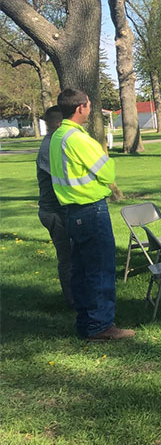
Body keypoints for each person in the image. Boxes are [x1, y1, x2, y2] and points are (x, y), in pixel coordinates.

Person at [49, 89, 133, 341]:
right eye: (88, 104)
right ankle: (101, 326)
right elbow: (107, 173)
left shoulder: (58, 136)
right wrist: (104, 157)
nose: (89, 108)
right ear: (80, 108)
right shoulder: (78, 139)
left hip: (72, 210)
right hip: (90, 208)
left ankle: (86, 322)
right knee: (100, 268)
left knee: (83, 270)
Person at [35, 105, 73, 307]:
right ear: (57, 123)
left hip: (61, 209)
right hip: (54, 212)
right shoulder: (49, 147)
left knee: (73, 254)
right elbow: (64, 176)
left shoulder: (56, 144)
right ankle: (72, 300)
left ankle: (77, 295)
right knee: (66, 255)